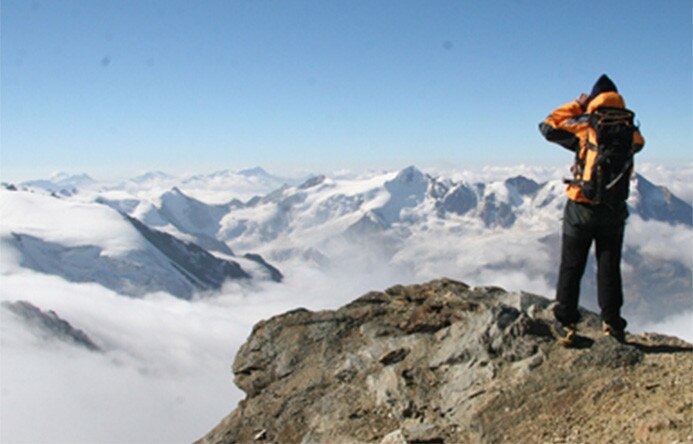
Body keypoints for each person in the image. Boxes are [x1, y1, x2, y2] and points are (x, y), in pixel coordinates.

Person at [539, 74, 645, 346]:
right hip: (614, 209)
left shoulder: (586, 125)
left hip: (581, 209)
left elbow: (548, 126)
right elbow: (640, 144)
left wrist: (578, 105)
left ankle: (566, 324)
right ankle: (613, 323)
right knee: (609, 267)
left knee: (572, 266)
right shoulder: (629, 130)